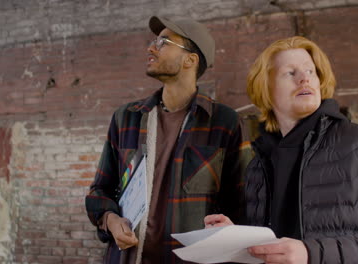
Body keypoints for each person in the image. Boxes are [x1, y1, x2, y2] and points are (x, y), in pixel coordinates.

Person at [204, 36, 358, 263]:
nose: (304, 78)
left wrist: (311, 253)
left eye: (311, 71)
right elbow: (269, 243)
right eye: (290, 73)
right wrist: (234, 237)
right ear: (266, 87)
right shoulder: (259, 162)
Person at [85, 16, 252, 264]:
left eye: (163, 42)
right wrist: (111, 220)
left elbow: (244, 204)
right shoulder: (126, 119)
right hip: (127, 258)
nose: (151, 47)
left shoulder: (224, 122)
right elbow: (99, 191)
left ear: (190, 60)